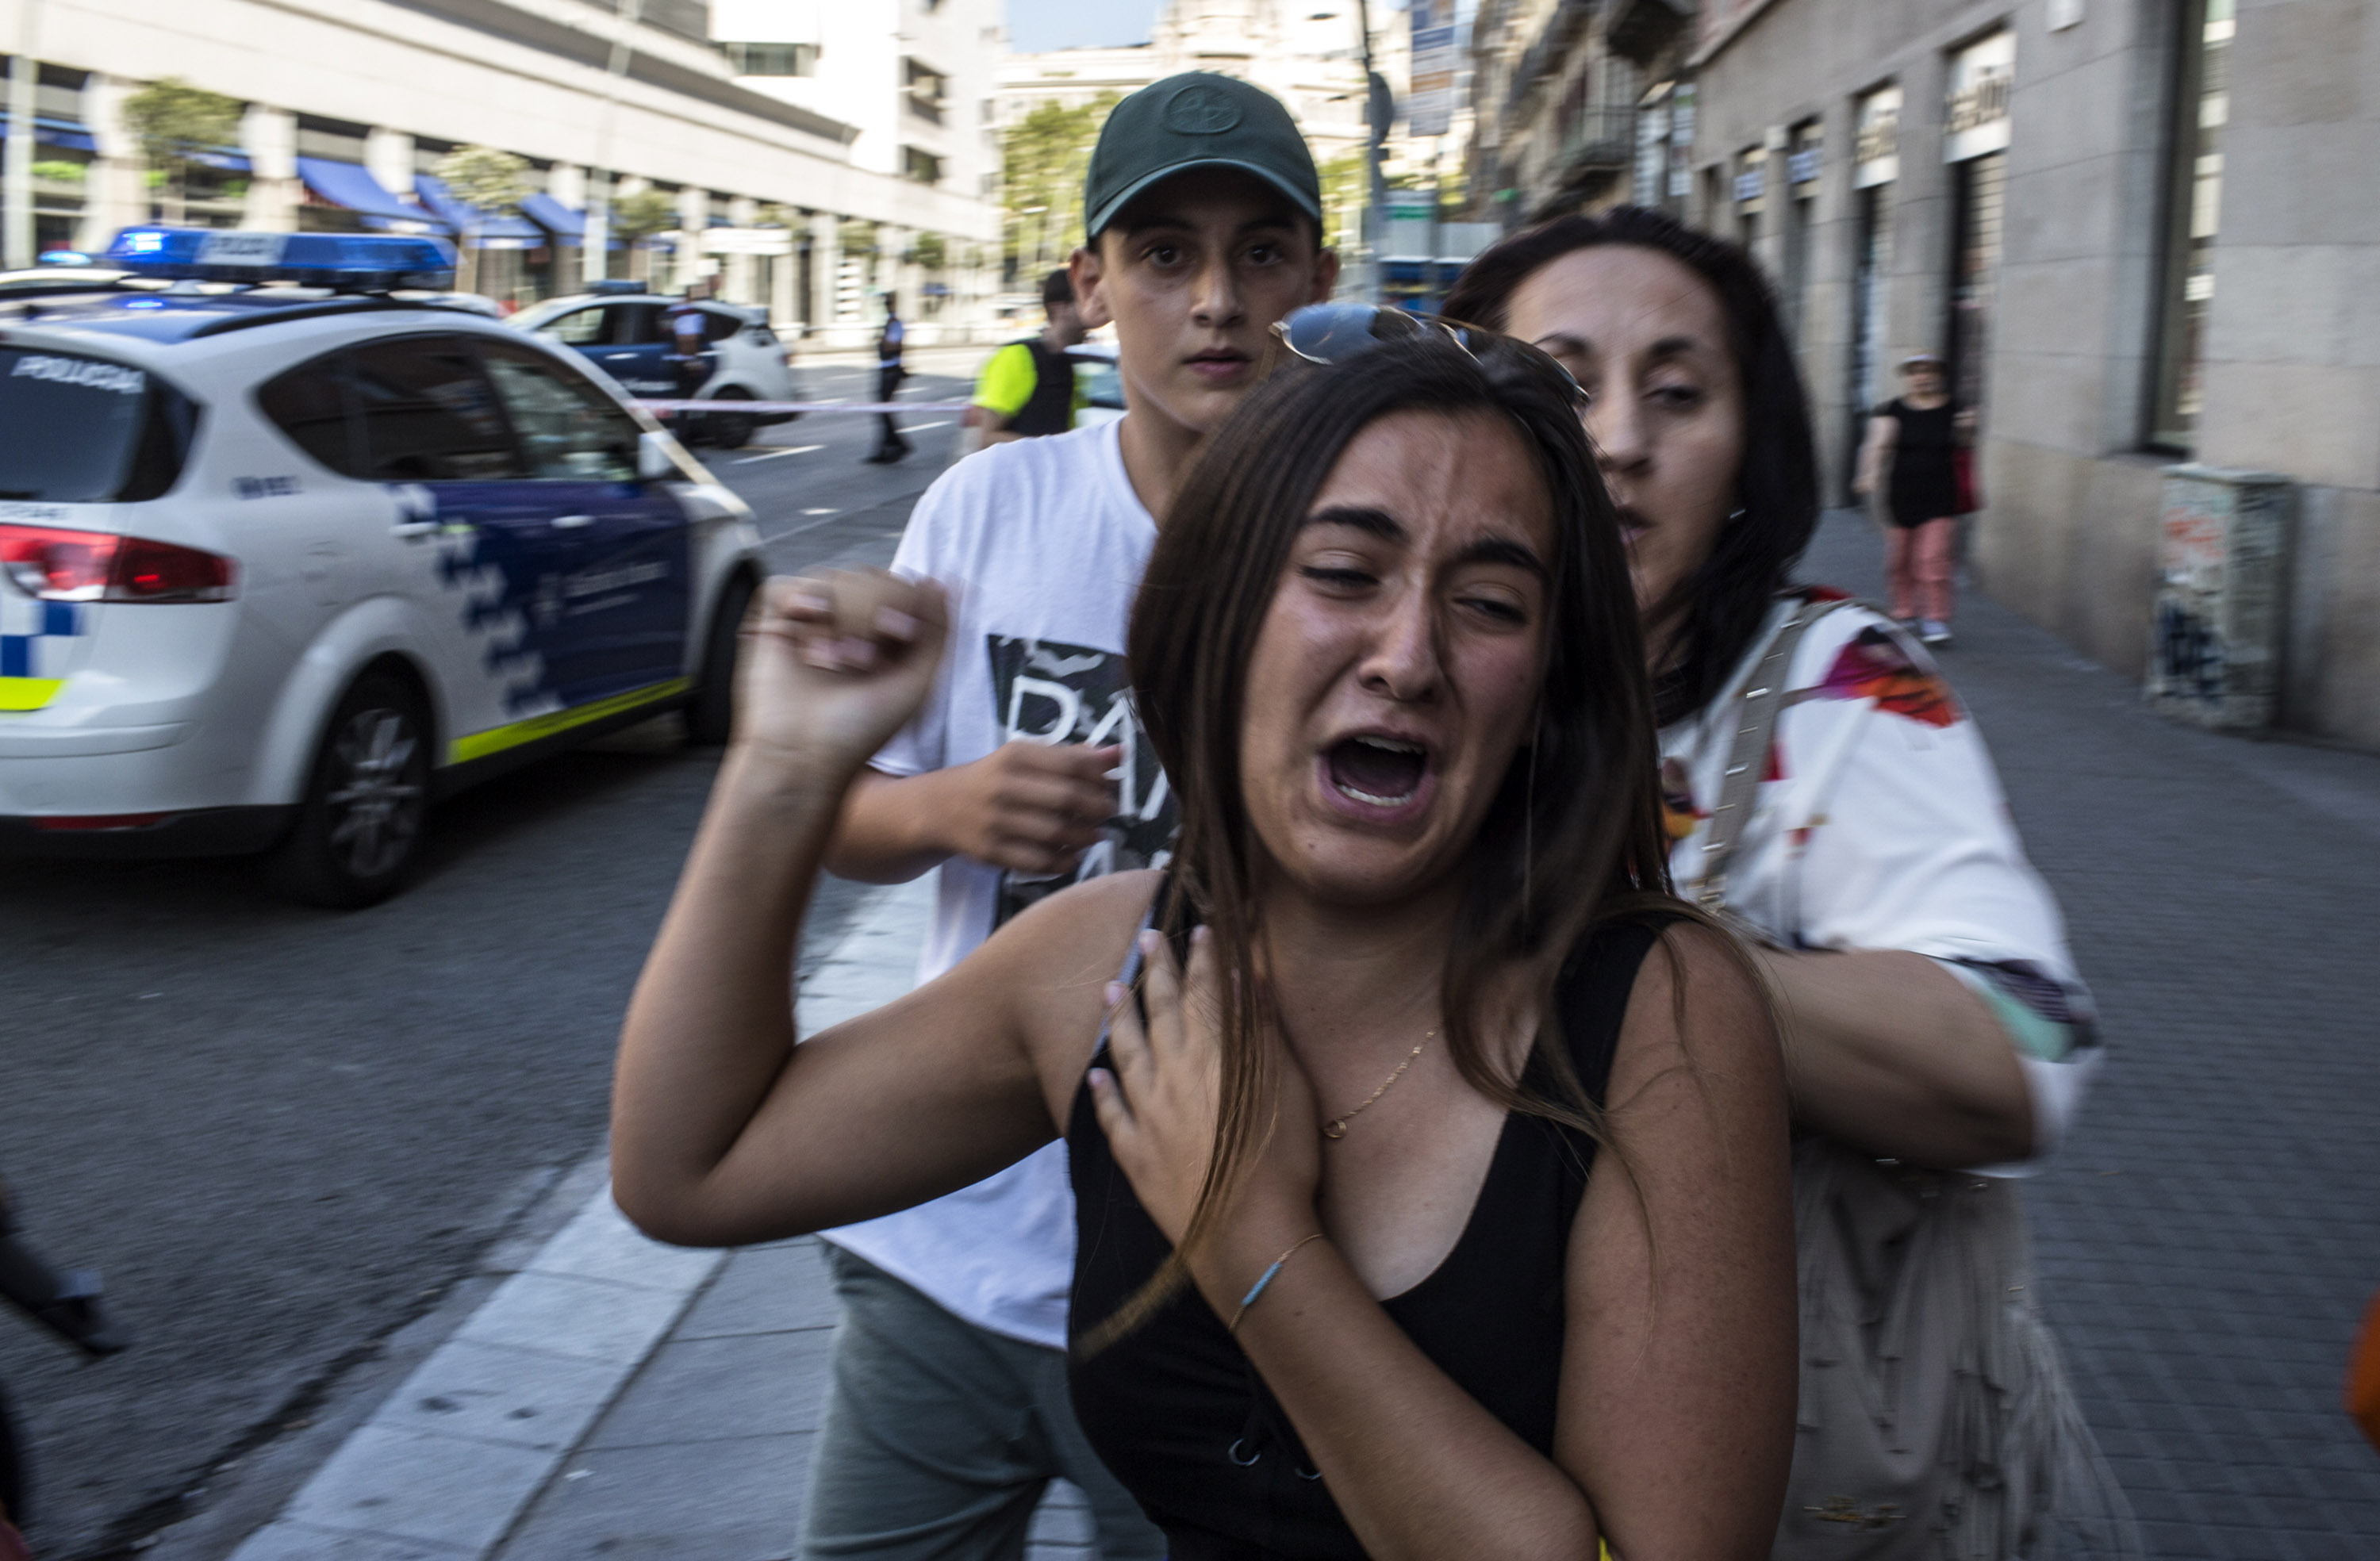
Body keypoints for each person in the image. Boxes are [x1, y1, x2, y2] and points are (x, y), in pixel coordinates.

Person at [612, 324, 1799, 1559]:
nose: (1407, 658)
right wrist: (781, 774)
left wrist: (1252, 1241)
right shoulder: (1106, 966)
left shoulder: (1661, 1016)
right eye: (1344, 574)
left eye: (1490, 604)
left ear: (1547, 687)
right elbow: (692, 1168)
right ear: (1219, 619)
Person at [1445, 208, 2130, 1558]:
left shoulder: (1837, 687)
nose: (1623, 438)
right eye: (1565, 384)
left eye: (1680, 393)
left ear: (1746, 453)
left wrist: (1635, 953)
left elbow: (2024, 1046)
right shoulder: (1406, 660)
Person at [781, 72, 1342, 1559]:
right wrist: (949, 807)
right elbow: (834, 815)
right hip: (942, 1251)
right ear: (1092, 284)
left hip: (1209, 1288)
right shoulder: (987, 511)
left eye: (1259, 253)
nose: (1215, 299)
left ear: (1319, 281)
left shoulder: (1359, 557)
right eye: (1163, 254)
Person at [1852, 352, 1974, 646]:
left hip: (1941, 496)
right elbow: (1877, 446)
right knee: (1900, 561)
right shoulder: (1893, 410)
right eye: (1916, 372)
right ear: (1908, 378)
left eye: (1928, 371)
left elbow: (1965, 446)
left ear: (1938, 375)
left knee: (1932, 560)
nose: (1922, 376)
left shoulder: (1954, 410)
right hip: (1902, 495)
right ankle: (1904, 613)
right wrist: (1868, 474)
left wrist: (1968, 428)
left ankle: (1935, 618)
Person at [965, 267, 1088, 447]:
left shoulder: (1070, 364)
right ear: (1059, 309)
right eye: (1083, 303)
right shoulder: (1015, 357)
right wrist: (1050, 450)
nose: (1091, 312)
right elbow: (987, 438)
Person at [867, 292, 911, 464]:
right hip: (886, 370)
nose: (886, 305)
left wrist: (881, 341)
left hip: (892, 371)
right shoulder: (889, 322)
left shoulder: (895, 324)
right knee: (882, 411)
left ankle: (895, 446)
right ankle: (890, 446)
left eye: (888, 302)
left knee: (883, 410)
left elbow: (893, 345)